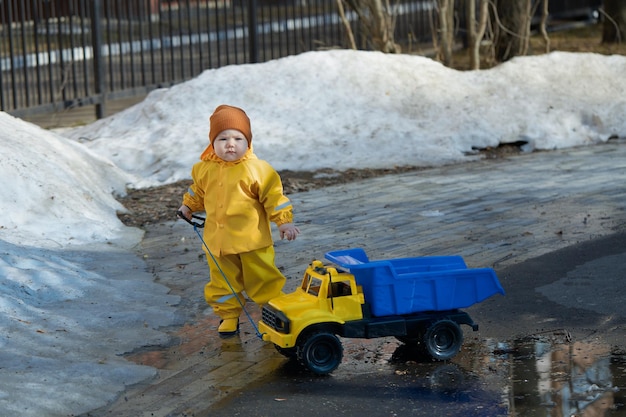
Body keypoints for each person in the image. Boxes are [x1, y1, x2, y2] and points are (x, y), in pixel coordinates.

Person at [178, 104, 300, 337]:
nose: (230, 143)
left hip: (252, 241)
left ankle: (274, 309)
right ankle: (229, 315)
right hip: (218, 242)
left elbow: (275, 197)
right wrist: (188, 206)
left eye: (238, 138)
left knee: (263, 278)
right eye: (222, 138)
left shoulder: (258, 170)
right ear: (212, 143)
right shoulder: (204, 169)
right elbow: (198, 192)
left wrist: (283, 221)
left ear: (248, 142)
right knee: (223, 282)